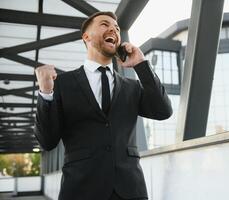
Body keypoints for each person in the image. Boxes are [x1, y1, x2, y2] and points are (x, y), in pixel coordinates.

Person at [34, 11, 172, 200]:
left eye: (116, 28)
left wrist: (141, 65)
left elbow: (163, 111)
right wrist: (46, 93)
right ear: (86, 36)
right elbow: (47, 141)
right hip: (81, 190)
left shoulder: (131, 87)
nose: (113, 30)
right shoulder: (61, 84)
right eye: (104, 24)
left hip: (130, 191)